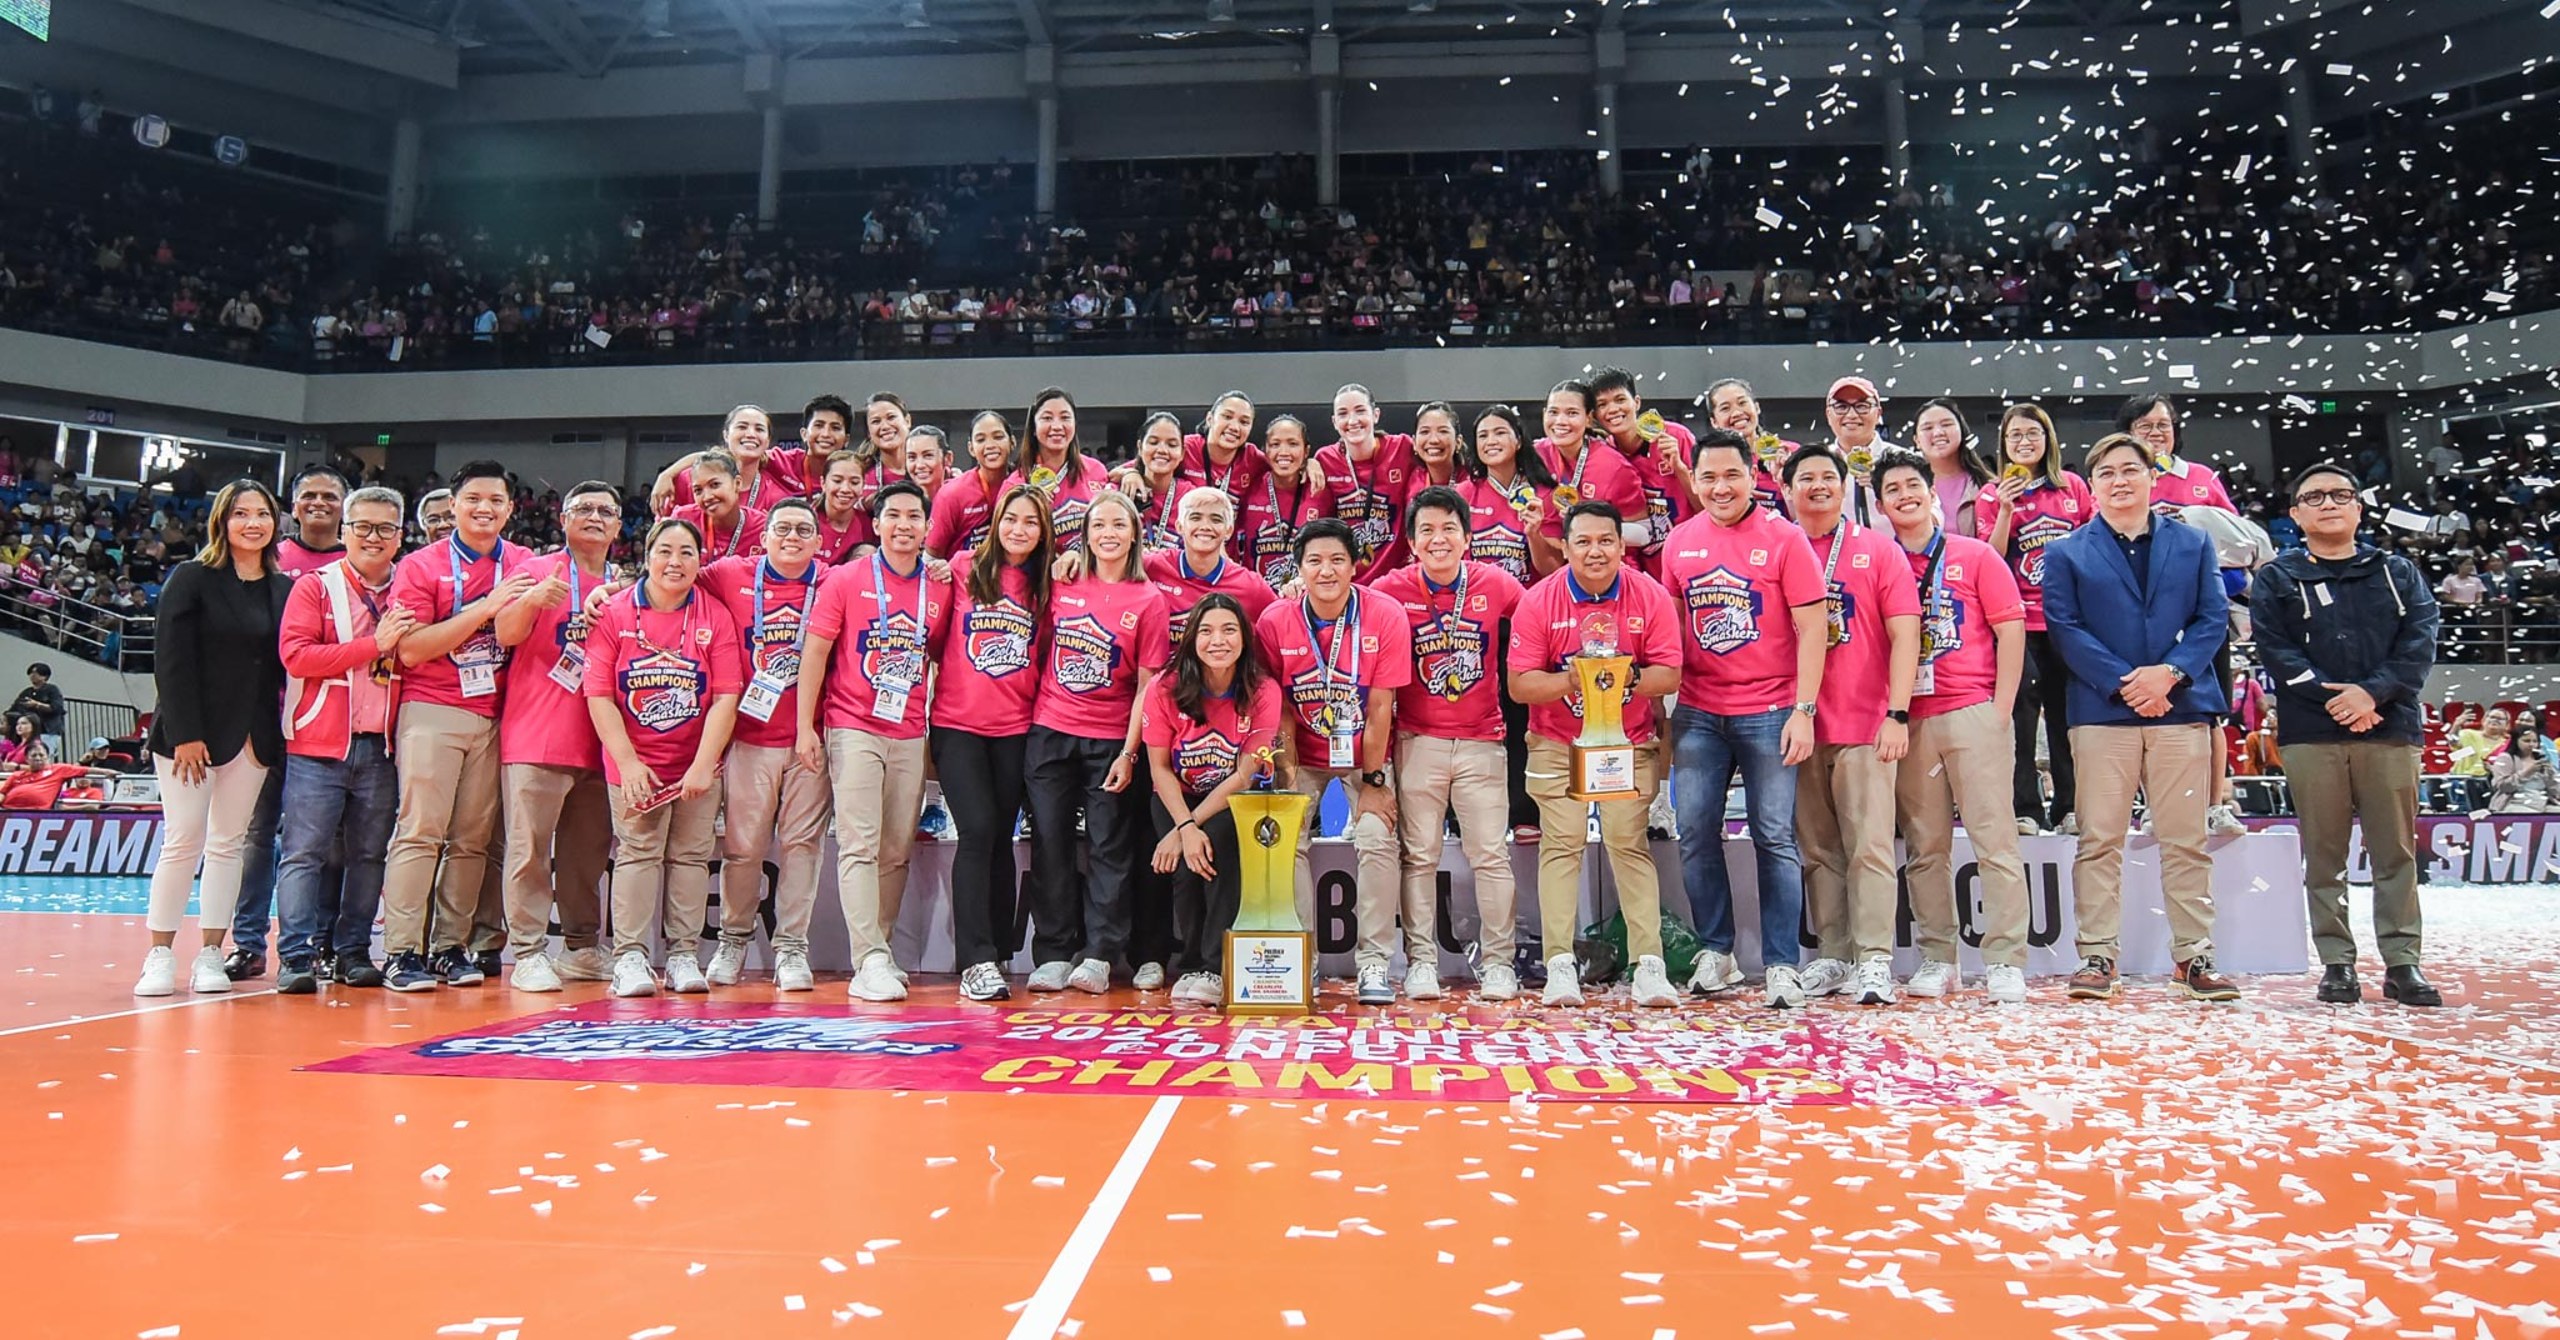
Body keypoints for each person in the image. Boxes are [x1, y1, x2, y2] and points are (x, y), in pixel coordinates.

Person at [2041, 433, 2235, 1002]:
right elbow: (2064, 628)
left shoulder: (2195, 543)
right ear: (2092, 485)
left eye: (2131, 470)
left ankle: (2194, 957)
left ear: (2152, 477)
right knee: (2099, 839)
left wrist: (2169, 675)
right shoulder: (2066, 552)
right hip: (2103, 710)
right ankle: (2098, 955)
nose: (2120, 481)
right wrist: (2128, 683)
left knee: (2185, 839)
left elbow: (2211, 618)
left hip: (2180, 707)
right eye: (2107, 473)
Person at [2253, 462, 2443, 1007]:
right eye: (2315, 497)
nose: (2329, 503)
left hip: (2389, 728)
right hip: (2312, 732)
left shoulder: (2397, 572)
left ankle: (2403, 962)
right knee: (2325, 853)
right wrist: (2336, 699)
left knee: (2396, 854)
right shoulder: (2278, 578)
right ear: (2295, 515)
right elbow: (2275, 649)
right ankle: (2338, 963)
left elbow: (2419, 644)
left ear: (2358, 507)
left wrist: (2372, 694)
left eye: (2341, 494)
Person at [1663, 429, 1828, 1006]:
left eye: (1731, 475)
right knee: (1694, 834)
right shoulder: (1679, 543)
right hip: (1699, 712)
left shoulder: (1786, 539)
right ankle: (1717, 950)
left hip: (1772, 709)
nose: (1719, 487)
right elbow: (1673, 632)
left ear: (1753, 473)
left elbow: (1814, 630)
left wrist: (1804, 710)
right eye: (1707, 477)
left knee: (1775, 837)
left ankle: (1782, 962)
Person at [1507, 501, 1684, 1008]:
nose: (1595, 551)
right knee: (1560, 844)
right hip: (1556, 741)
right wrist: (1578, 678)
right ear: (1564, 547)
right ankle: (1561, 964)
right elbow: (1520, 685)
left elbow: (1669, 674)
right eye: (1582, 541)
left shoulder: (1648, 595)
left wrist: (1619, 678)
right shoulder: (1540, 601)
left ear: (1621, 543)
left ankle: (1648, 964)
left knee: (1628, 844)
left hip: (1626, 742)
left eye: (1606, 540)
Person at [1872, 450, 2032, 1004]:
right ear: (1880, 503)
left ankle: (2006, 959)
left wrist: (2001, 708)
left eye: (1913, 484)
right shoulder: (1881, 562)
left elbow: (2011, 631)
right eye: (1893, 489)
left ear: (1931, 492)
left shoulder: (1976, 555)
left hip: (1972, 709)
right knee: (1925, 846)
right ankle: (1938, 957)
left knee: (1995, 840)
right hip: (1911, 718)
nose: (1905, 495)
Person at [382, 461, 538, 992]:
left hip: (496, 713)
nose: (484, 509)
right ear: (453, 505)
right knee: (421, 831)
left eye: (495, 500)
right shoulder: (421, 566)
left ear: (510, 509)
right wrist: (484, 609)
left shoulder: (523, 562)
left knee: (473, 839)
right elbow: (409, 648)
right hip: (433, 707)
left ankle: (451, 945)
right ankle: (402, 950)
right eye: (473, 498)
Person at [133, 480, 292, 997]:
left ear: (275, 522)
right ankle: (158, 954)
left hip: (254, 738)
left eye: (262, 513)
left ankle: (209, 954)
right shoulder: (191, 578)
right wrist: (186, 734)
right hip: (190, 738)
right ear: (221, 521)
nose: (253, 523)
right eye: (241, 513)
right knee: (183, 840)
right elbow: (171, 662)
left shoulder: (284, 588)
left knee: (229, 846)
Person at [798, 482, 954, 1001]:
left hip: (910, 729)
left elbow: (934, 658)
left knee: (895, 849)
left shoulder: (940, 586)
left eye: (914, 516)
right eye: (894, 516)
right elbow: (815, 655)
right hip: (853, 725)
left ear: (927, 527)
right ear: (879, 523)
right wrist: (806, 728)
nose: (904, 525)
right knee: (859, 844)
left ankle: (880, 951)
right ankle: (866, 957)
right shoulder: (846, 579)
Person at [1373, 487, 1528, 1000]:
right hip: (1417, 741)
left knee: (1491, 855)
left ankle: (1500, 963)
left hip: (1484, 740)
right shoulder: (1392, 588)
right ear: (1412, 542)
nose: (1438, 540)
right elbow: (1347, 607)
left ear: (1467, 536)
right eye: (1427, 532)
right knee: (1419, 856)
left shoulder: (1496, 584)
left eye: (1448, 529)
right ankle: (1420, 962)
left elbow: (1539, 615)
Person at [1782, 447, 1922, 1006]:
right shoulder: (1779, 548)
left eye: (1827, 478)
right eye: (1805, 479)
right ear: (1787, 488)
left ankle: (1874, 960)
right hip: (1797, 723)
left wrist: (1897, 712)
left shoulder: (1877, 549)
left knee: (1869, 847)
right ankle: (1834, 956)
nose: (1817, 486)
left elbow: (1906, 635)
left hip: (1865, 720)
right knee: (1817, 848)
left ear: (1845, 488)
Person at [586, 518, 745, 998]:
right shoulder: (613, 612)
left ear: (700, 562)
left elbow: (725, 695)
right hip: (635, 763)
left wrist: (703, 763)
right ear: (647, 556)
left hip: (696, 762)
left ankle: (681, 954)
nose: (675, 562)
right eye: (665, 552)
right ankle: (630, 957)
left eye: (687, 553)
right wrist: (629, 763)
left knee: (692, 858)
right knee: (637, 853)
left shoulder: (714, 614)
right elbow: (598, 695)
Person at [1255, 517, 1412, 1004]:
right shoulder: (1275, 620)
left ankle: (1374, 965)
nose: (1326, 571)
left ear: (1355, 565)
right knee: (1287, 838)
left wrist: (1373, 781)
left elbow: (1382, 705)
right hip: (1301, 750)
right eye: (1315, 561)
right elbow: (1276, 703)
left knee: (1375, 835)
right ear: (1298, 569)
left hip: (1362, 752)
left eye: (1337, 560)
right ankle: (1303, 960)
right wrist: (1287, 774)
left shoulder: (1384, 614)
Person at [1022, 490, 1167, 993]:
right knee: (1050, 843)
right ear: (1084, 533)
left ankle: (1102, 953)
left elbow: (1147, 687)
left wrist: (1130, 753)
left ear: (1134, 534)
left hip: (1110, 739)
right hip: (1050, 730)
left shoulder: (1149, 599)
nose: (1108, 533)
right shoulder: (1061, 581)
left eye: (1118, 524)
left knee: (1109, 846)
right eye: (1098, 524)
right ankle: (1056, 950)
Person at [272, 485, 415, 994]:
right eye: (363, 527)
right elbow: (297, 657)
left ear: (400, 536)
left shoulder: (409, 588)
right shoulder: (314, 586)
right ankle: (295, 956)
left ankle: (353, 950)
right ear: (345, 532)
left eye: (385, 528)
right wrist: (371, 646)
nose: (373, 538)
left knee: (369, 855)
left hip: (383, 745)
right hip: (318, 743)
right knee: (303, 853)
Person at [696, 496, 832, 994]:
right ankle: (733, 938)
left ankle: (792, 946)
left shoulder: (833, 580)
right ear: (764, 537)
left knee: (802, 848)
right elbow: (671, 573)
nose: (792, 537)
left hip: (808, 739)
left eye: (803, 530)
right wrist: (611, 592)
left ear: (819, 543)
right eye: (783, 529)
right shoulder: (731, 573)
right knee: (743, 848)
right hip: (749, 736)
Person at [491, 481, 622, 992]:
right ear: (562, 520)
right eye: (583, 508)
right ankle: (526, 950)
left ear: (617, 526)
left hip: (600, 739)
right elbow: (504, 632)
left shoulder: (625, 584)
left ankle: (580, 948)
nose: (595, 517)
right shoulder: (536, 570)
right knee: (528, 849)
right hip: (538, 734)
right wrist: (534, 602)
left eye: (605, 511)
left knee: (586, 854)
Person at [933, 487, 1055, 1001]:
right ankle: (975, 959)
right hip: (957, 726)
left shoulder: (1046, 586)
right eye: (1012, 518)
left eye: (1032, 522)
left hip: (1016, 729)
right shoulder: (961, 568)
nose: (1020, 529)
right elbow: (935, 640)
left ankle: (1000, 952)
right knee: (977, 830)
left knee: (1002, 838)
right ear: (997, 521)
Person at [1140, 593, 1284, 1007]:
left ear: (1244, 638)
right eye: (1205, 631)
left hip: (1233, 798)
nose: (1217, 640)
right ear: (1190, 638)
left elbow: (1245, 772)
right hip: (1176, 795)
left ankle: (1213, 967)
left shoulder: (1262, 690)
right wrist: (1183, 827)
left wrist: (1191, 828)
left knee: (1214, 849)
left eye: (1228, 630)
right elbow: (1161, 769)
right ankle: (1186, 964)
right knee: (1186, 868)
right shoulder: (1164, 687)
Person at [1979, 402, 2095, 836]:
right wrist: (2006, 510)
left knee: (2067, 715)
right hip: (2016, 623)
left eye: (2032, 433)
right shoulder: (1994, 494)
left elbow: (2093, 545)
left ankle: (2069, 806)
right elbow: (1988, 558)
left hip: (2066, 621)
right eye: (2015, 436)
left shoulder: (2073, 487)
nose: (2024, 442)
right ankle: (2025, 807)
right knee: (2021, 717)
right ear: (2003, 445)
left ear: (2047, 439)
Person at [1533, 380, 1644, 573]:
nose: (1560, 421)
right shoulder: (1535, 455)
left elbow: (1644, 533)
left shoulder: (1614, 467)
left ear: (1589, 418)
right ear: (1544, 415)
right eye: (1553, 412)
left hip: (1608, 574)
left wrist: (1588, 521)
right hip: (1550, 573)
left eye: (1572, 413)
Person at [1318, 383, 1419, 583]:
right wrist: (1307, 464)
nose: (1352, 420)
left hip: (1396, 580)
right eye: (1343, 414)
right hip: (1348, 582)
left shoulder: (1402, 448)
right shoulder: (1325, 459)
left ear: (1376, 415)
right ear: (1334, 421)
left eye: (1360, 411)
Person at [1143, 486, 1274, 641]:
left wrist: (1297, 586)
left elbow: (1283, 620)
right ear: (1179, 526)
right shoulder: (1153, 566)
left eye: (1216, 519)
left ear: (1228, 531)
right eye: (1195, 518)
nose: (1205, 526)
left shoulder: (1250, 586)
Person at [1007, 387, 1111, 550]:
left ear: (1074, 424)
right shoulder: (1017, 484)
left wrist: (1130, 472)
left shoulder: (1096, 470)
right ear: (1034, 428)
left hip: (1091, 572)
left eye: (1065, 418)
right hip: (1041, 573)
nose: (1057, 426)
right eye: (1047, 418)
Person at [1235, 414, 1332, 587]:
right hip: (1257, 595)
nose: (1284, 452)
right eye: (1275, 444)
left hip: (1306, 598)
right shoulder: (1250, 486)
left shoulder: (1321, 488)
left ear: (1306, 451)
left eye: (1293, 444)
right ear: (1265, 450)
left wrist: (1313, 463)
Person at [653, 405, 805, 513]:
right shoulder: (688, 479)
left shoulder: (775, 496)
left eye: (759, 429)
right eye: (742, 427)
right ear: (726, 435)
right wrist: (666, 475)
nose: (751, 434)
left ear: (767, 441)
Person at [2119, 394, 2237, 513]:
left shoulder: (2203, 476)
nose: (2156, 432)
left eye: (2163, 425)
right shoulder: (2115, 478)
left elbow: (2232, 527)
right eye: (2145, 426)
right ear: (2128, 434)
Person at [927, 411, 1019, 562]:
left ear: (1012, 442)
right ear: (971, 448)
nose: (990, 445)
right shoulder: (952, 494)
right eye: (981, 439)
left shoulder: (1024, 485)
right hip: (964, 582)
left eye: (998, 437)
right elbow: (932, 558)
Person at [1703, 377, 1795, 516]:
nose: (1737, 413)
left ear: (1756, 407)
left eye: (1742, 403)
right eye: (1725, 408)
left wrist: (1785, 477)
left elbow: (1806, 520)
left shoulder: (1790, 453)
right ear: (1714, 421)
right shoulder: (1708, 463)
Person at [1819, 376, 1900, 523]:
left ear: (1878, 413)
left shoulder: (1903, 459)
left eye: (1862, 406)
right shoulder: (1818, 463)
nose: (1851, 415)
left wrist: (1892, 488)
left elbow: (1933, 517)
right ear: (1828, 414)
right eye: (1841, 407)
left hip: (1893, 544)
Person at [667, 450, 769, 563]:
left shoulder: (763, 527)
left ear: (737, 484)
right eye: (698, 490)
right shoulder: (683, 519)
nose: (707, 497)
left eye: (715, 485)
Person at [1910, 399, 1992, 537]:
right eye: (1928, 428)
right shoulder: (1906, 487)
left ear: (1962, 431)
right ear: (1917, 440)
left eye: (1946, 424)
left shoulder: (1986, 485)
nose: (1938, 433)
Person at [273, 465, 349, 577]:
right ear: (294, 508)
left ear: (344, 509)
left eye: (329, 497)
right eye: (309, 496)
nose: (318, 502)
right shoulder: (272, 558)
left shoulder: (356, 562)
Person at [2490, 723, 2560, 812]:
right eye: (2526, 741)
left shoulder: (2542, 760)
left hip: (2543, 804)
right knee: (2533, 817)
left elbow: (2557, 792)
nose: (2531, 744)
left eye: (2535, 741)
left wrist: (2551, 775)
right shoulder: (2506, 758)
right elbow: (2503, 787)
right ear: (2516, 741)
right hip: (2513, 804)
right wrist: (2527, 772)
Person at [9, 662, 64, 758]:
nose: (32, 675)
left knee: (43, 755)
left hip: (47, 730)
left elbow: (57, 708)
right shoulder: (26, 692)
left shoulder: (52, 689)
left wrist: (37, 705)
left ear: (45, 676)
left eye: (36, 673)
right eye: (31, 673)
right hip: (30, 732)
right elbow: (15, 707)